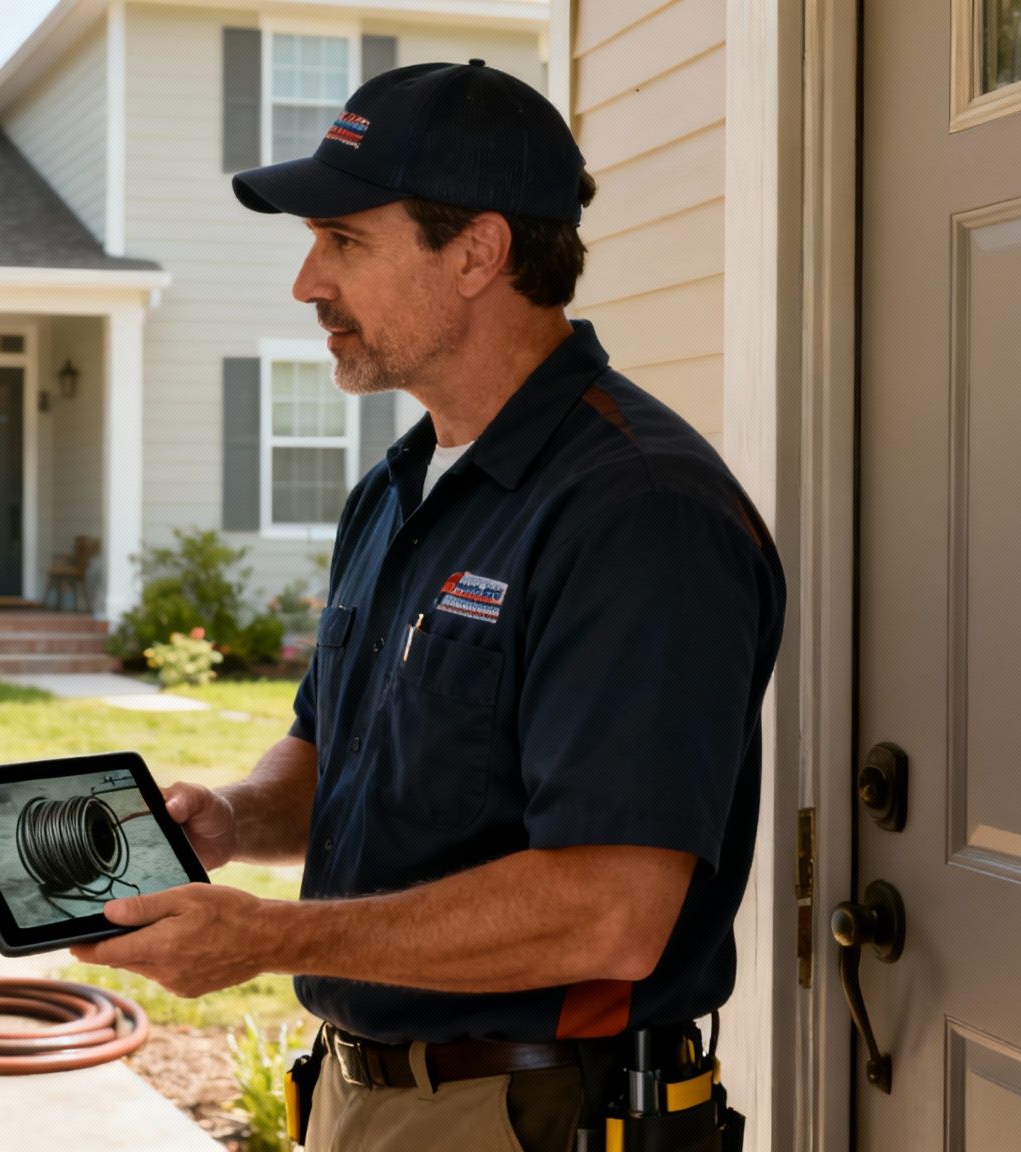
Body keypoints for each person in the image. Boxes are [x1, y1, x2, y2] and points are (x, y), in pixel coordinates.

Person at [71, 61, 786, 1151]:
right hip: (370, 1098)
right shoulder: (400, 488)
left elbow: (609, 914)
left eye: (344, 242)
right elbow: (332, 751)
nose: (306, 282)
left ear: (476, 253)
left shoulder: (635, 514)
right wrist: (234, 819)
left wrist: (266, 938)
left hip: (534, 1111)